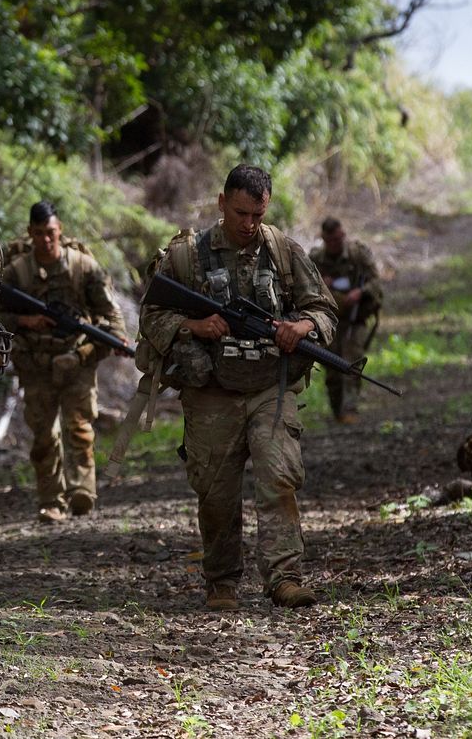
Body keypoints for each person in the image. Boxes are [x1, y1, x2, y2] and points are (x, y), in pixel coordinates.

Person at [139, 165, 337, 610]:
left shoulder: (283, 251)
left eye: (257, 214)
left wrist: (300, 326)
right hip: (212, 391)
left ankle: (285, 577)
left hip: (271, 385)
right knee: (216, 492)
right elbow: (150, 317)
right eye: (241, 213)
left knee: (279, 479)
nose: (248, 224)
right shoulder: (188, 257)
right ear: (222, 202)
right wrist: (195, 324)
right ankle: (222, 581)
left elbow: (325, 311)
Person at [0, 201, 128, 523]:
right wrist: (26, 322)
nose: (45, 240)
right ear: (30, 233)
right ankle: (51, 500)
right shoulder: (16, 273)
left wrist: (99, 347)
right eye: (39, 233)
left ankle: (83, 491)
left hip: (77, 361)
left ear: (61, 231)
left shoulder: (83, 267)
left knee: (80, 428)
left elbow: (111, 318)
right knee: (43, 436)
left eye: (51, 233)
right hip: (36, 364)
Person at [308, 217, 383, 424]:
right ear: (324, 239)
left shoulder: (358, 254)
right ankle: (337, 411)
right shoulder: (315, 258)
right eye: (330, 240)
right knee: (331, 368)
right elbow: (300, 285)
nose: (335, 244)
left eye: (338, 239)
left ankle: (350, 409)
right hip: (328, 320)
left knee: (351, 362)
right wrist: (320, 283)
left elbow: (376, 280)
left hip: (355, 318)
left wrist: (360, 292)